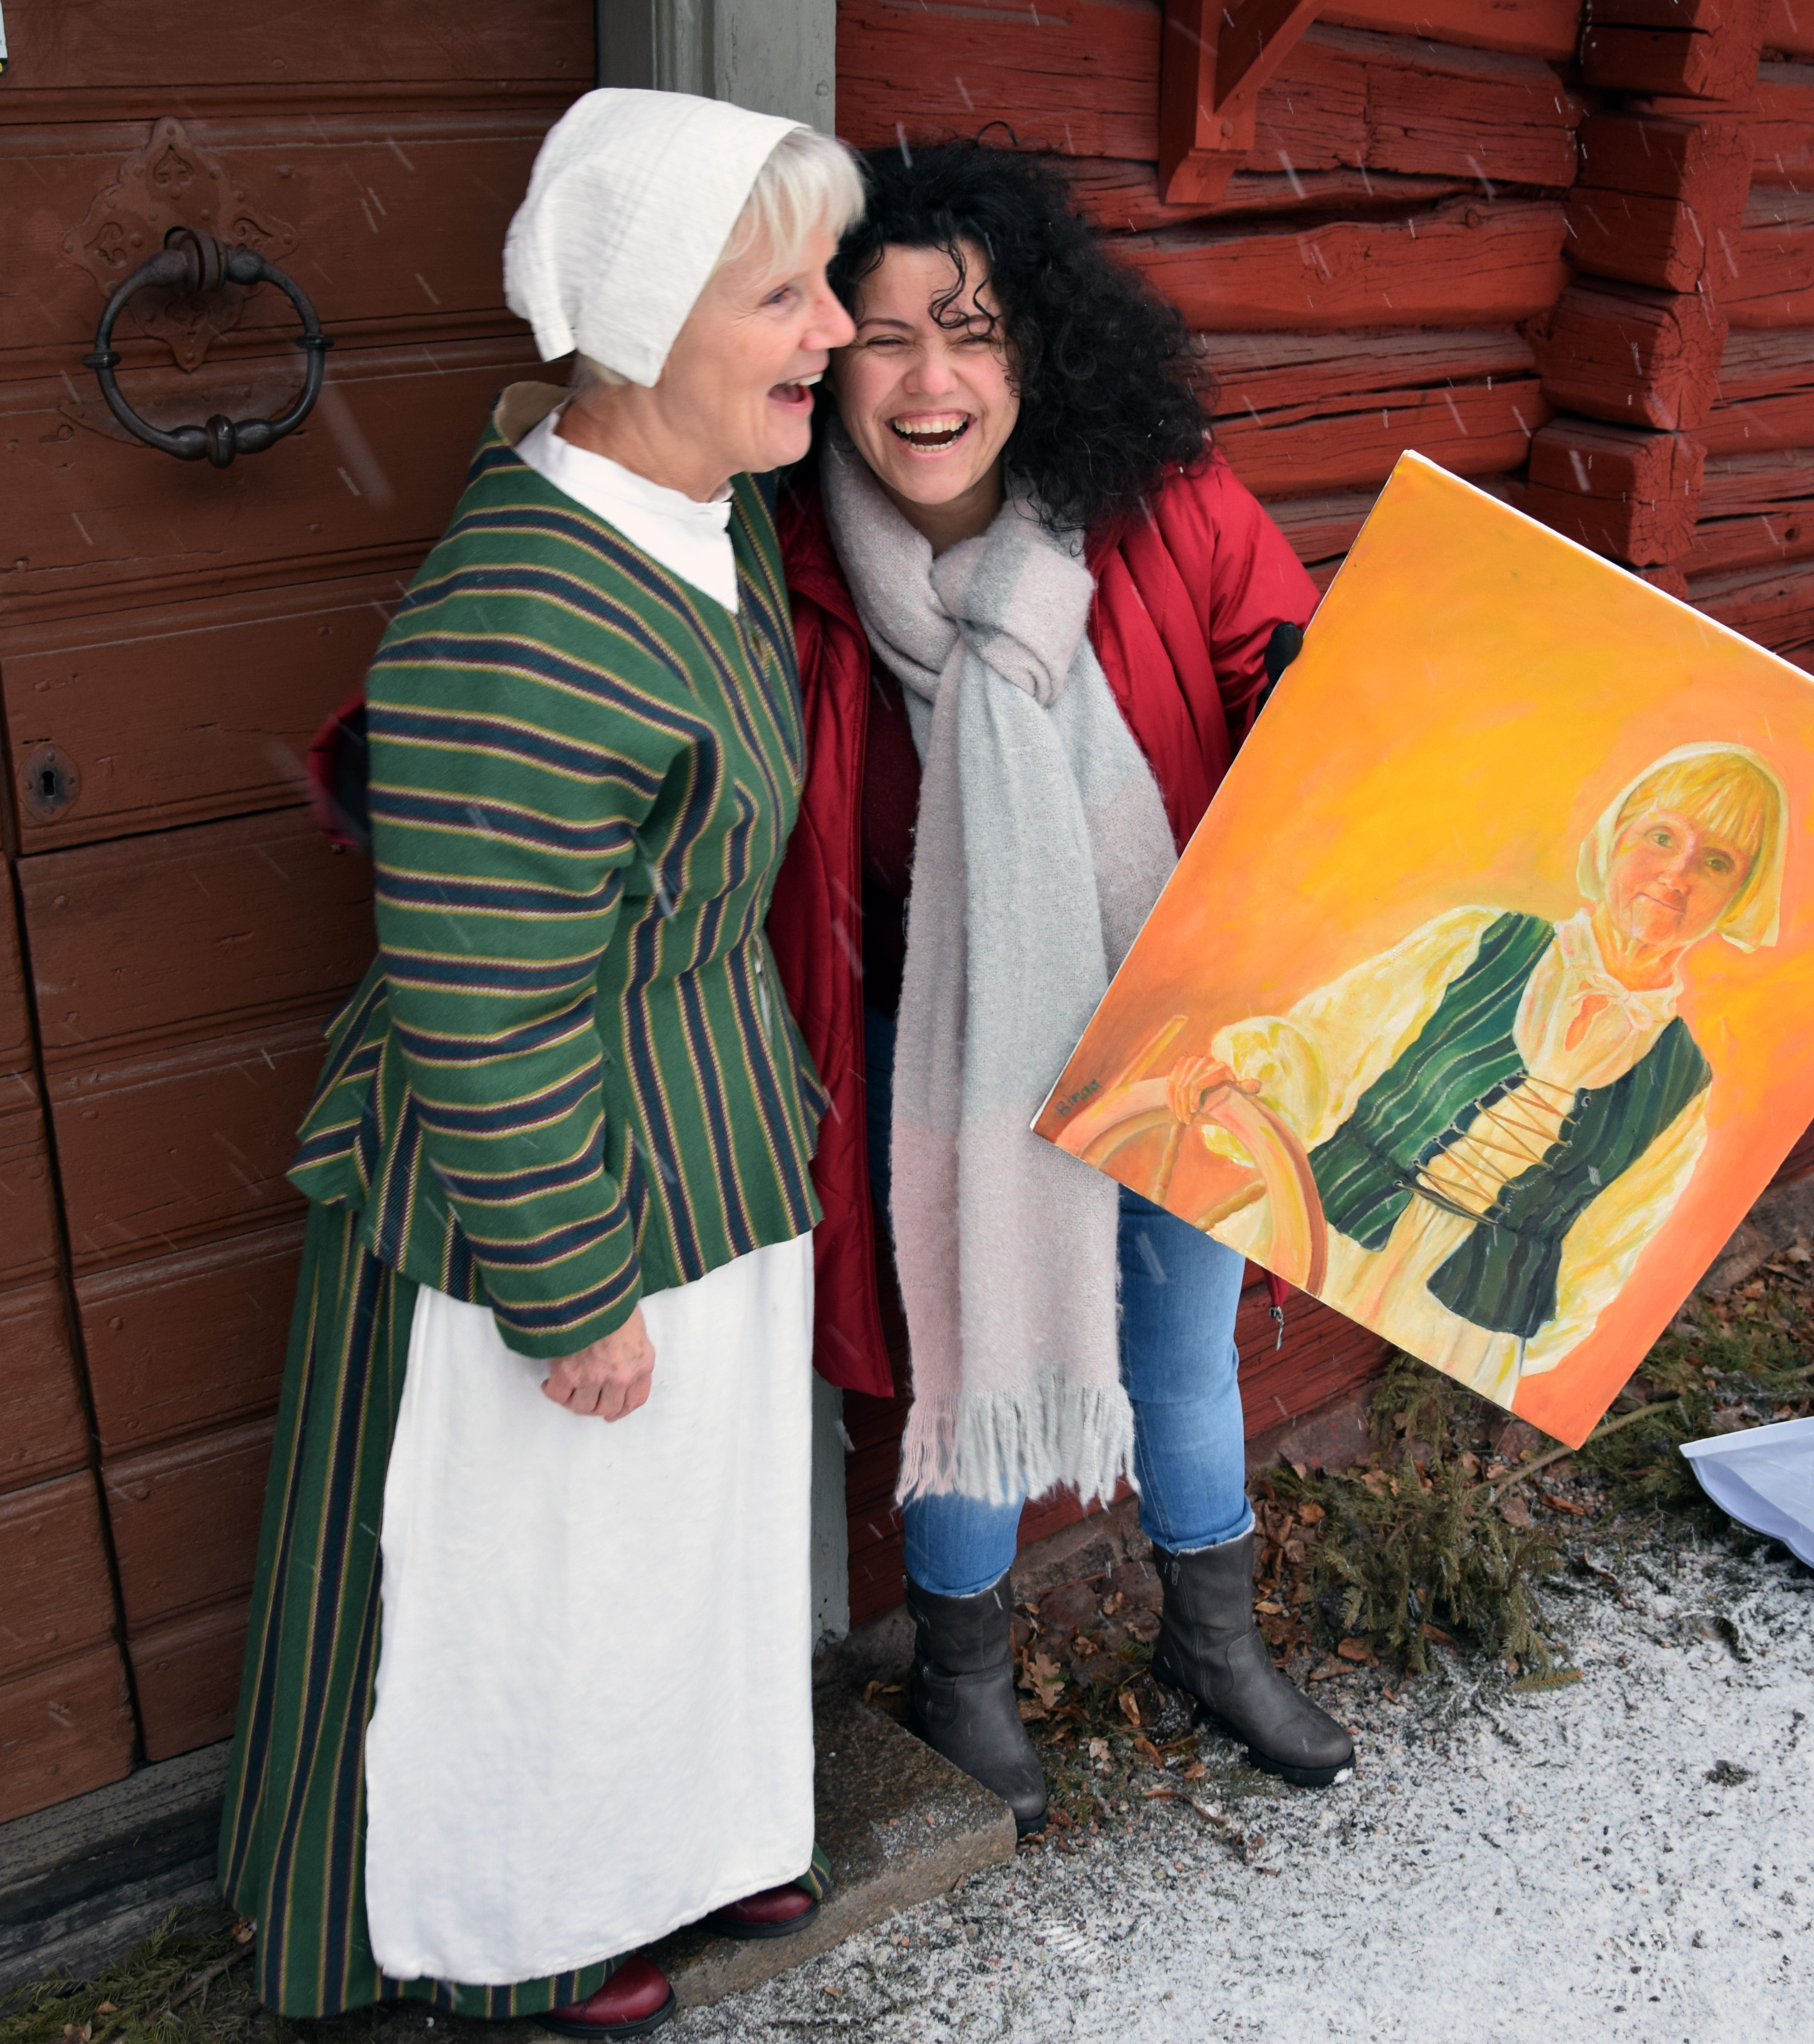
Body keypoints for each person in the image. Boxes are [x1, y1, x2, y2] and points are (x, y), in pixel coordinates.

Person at [219, 91, 863, 2039]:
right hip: (550, 1186)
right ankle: (527, 1916)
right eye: (785, 293)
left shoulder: (699, 512)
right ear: (646, 321)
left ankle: (694, 1827)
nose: (834, 328)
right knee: (540, 1576)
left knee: (688, 1543)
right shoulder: (516, 619)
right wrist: (567, 1285)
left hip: (709, 1134)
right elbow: (483, 997)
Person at [764, 138, 1351, 1838]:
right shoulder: (789, 558)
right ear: (829, 358)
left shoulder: (1159, 497)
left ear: (1035, 348)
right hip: (928, 1031)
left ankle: (1210, 1642)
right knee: (970, 1355)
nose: (932, 378)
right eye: (886, 336)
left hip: (1171, 1004)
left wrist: (1328, 695)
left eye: (972, 329)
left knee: (1180, 1339)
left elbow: (1278, 666)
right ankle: (960, 1673)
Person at [1178, 741, 1789, 1406]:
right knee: (1207, 1369)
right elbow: (1325, 1048)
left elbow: (1609, 1246)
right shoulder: (1479, 939)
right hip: (1327, 1227)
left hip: (1463, 1327)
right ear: (1617, 835)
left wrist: (1513, 1344)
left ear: (1741, 896)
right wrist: (1246, 1088)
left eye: (1718, 861)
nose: (1677, 874)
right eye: (1663, 835)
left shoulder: (1683, 1084)